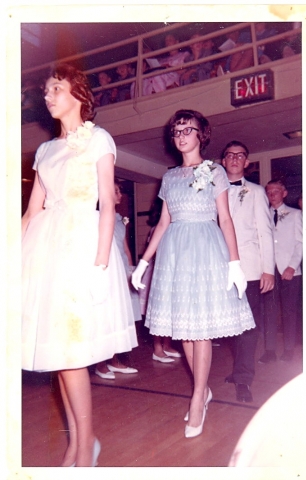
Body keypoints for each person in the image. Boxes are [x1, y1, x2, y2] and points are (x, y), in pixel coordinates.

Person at [22, 63, 138, 467]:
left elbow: (107, 205)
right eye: (47, 91)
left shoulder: (99, 139)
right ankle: (76, 445)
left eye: (56, 89)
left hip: (81, 245)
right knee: (58, 351)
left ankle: (86, 445)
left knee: (71, 354)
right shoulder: (44, 150)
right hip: (47, 249)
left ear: (77, 94)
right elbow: (31, 211)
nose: (48, 97)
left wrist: (100, 264)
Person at [132, 109, 255, 438]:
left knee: (200, 331)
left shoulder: (214, 170)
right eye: (177, 131)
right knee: (184, 330)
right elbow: (162, 223)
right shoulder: (169, 177)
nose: (182, 135)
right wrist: (144, 261)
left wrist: (234, 262)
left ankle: (199, 395)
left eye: (189, 129)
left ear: (202, 135)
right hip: (174, 253)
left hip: (205, 248)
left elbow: (225, 219)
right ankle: (202, 390)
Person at [221, 141, 275, 402]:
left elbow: (265, 231)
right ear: (223, 161)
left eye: (240, 155)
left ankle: (243, 379)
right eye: (230, 155)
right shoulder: (212, 191)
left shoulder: (255, 192)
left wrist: (267, 270)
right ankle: (238, 370)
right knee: (226, 326)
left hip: (250, 270)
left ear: (246, 163)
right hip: (218, 268)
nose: (234, 159)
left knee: (248, 328)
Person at [95, 181, 140, 377]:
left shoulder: (121, 219)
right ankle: (100, 363)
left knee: (120, 316)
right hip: (107, 268)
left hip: (121, 269)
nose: (120, 193)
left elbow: (125, 248)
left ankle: (115, 360)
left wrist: (130, 270)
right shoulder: (96, 218)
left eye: (120, 190)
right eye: (116, 190)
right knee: (106, 315)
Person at [259, 179, 303, 363]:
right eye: (268, 191)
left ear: (284, 193)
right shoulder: (262, 215)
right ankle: (269, 351)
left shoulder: (295, 214)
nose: (272, 194)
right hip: (269, 270)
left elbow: (301, 242)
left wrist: (292, 266)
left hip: (289, 270)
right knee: (269, 310)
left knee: (289, 311)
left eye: (276, 191)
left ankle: (289, 349)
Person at [139, 197, 183, 363]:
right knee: (159, 312)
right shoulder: (158, 229)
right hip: (159, 271)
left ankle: (167, 344)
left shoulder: (177, 228)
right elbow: (156, 253)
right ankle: (157, 348)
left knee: (170, 311)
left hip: (174, 272)